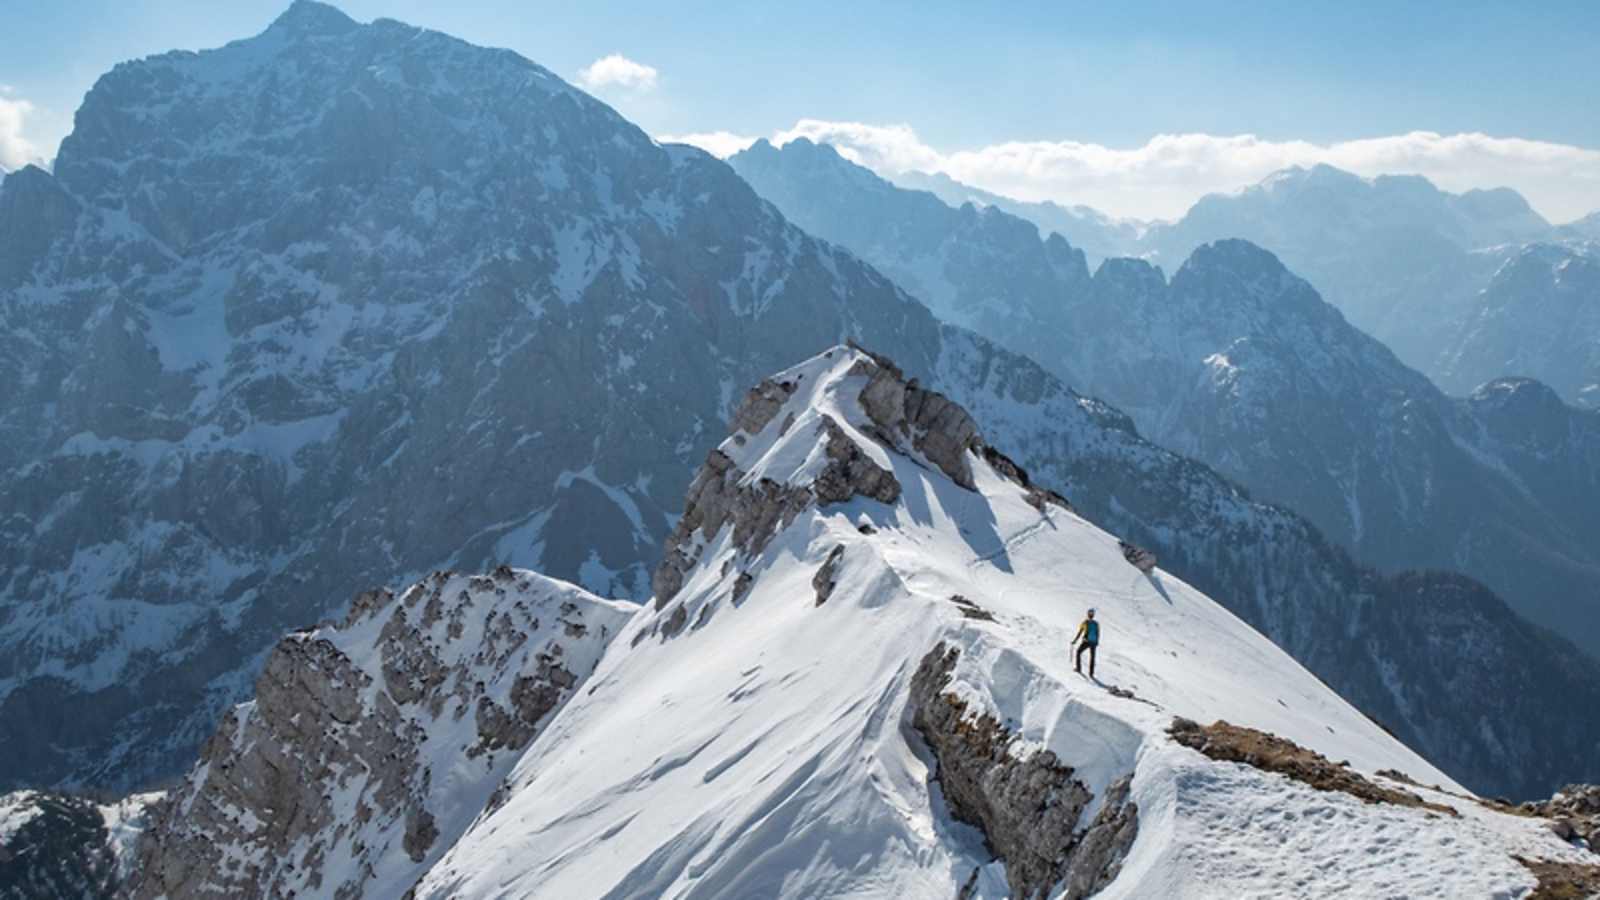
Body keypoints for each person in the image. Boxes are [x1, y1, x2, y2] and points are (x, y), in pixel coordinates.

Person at [1072, 608, 1099, 677]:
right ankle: (1091, 673)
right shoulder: (1096, 623)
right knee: (1092, 657)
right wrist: (1096, 642)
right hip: (1094, 642)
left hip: (1086, 641)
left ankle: (1079, 669)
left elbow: (1080, 632)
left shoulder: (1085, 622)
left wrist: (1075, 640)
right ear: (1093, 615)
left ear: (1088, 614)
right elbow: (1097, 633)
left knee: (1078, 652)